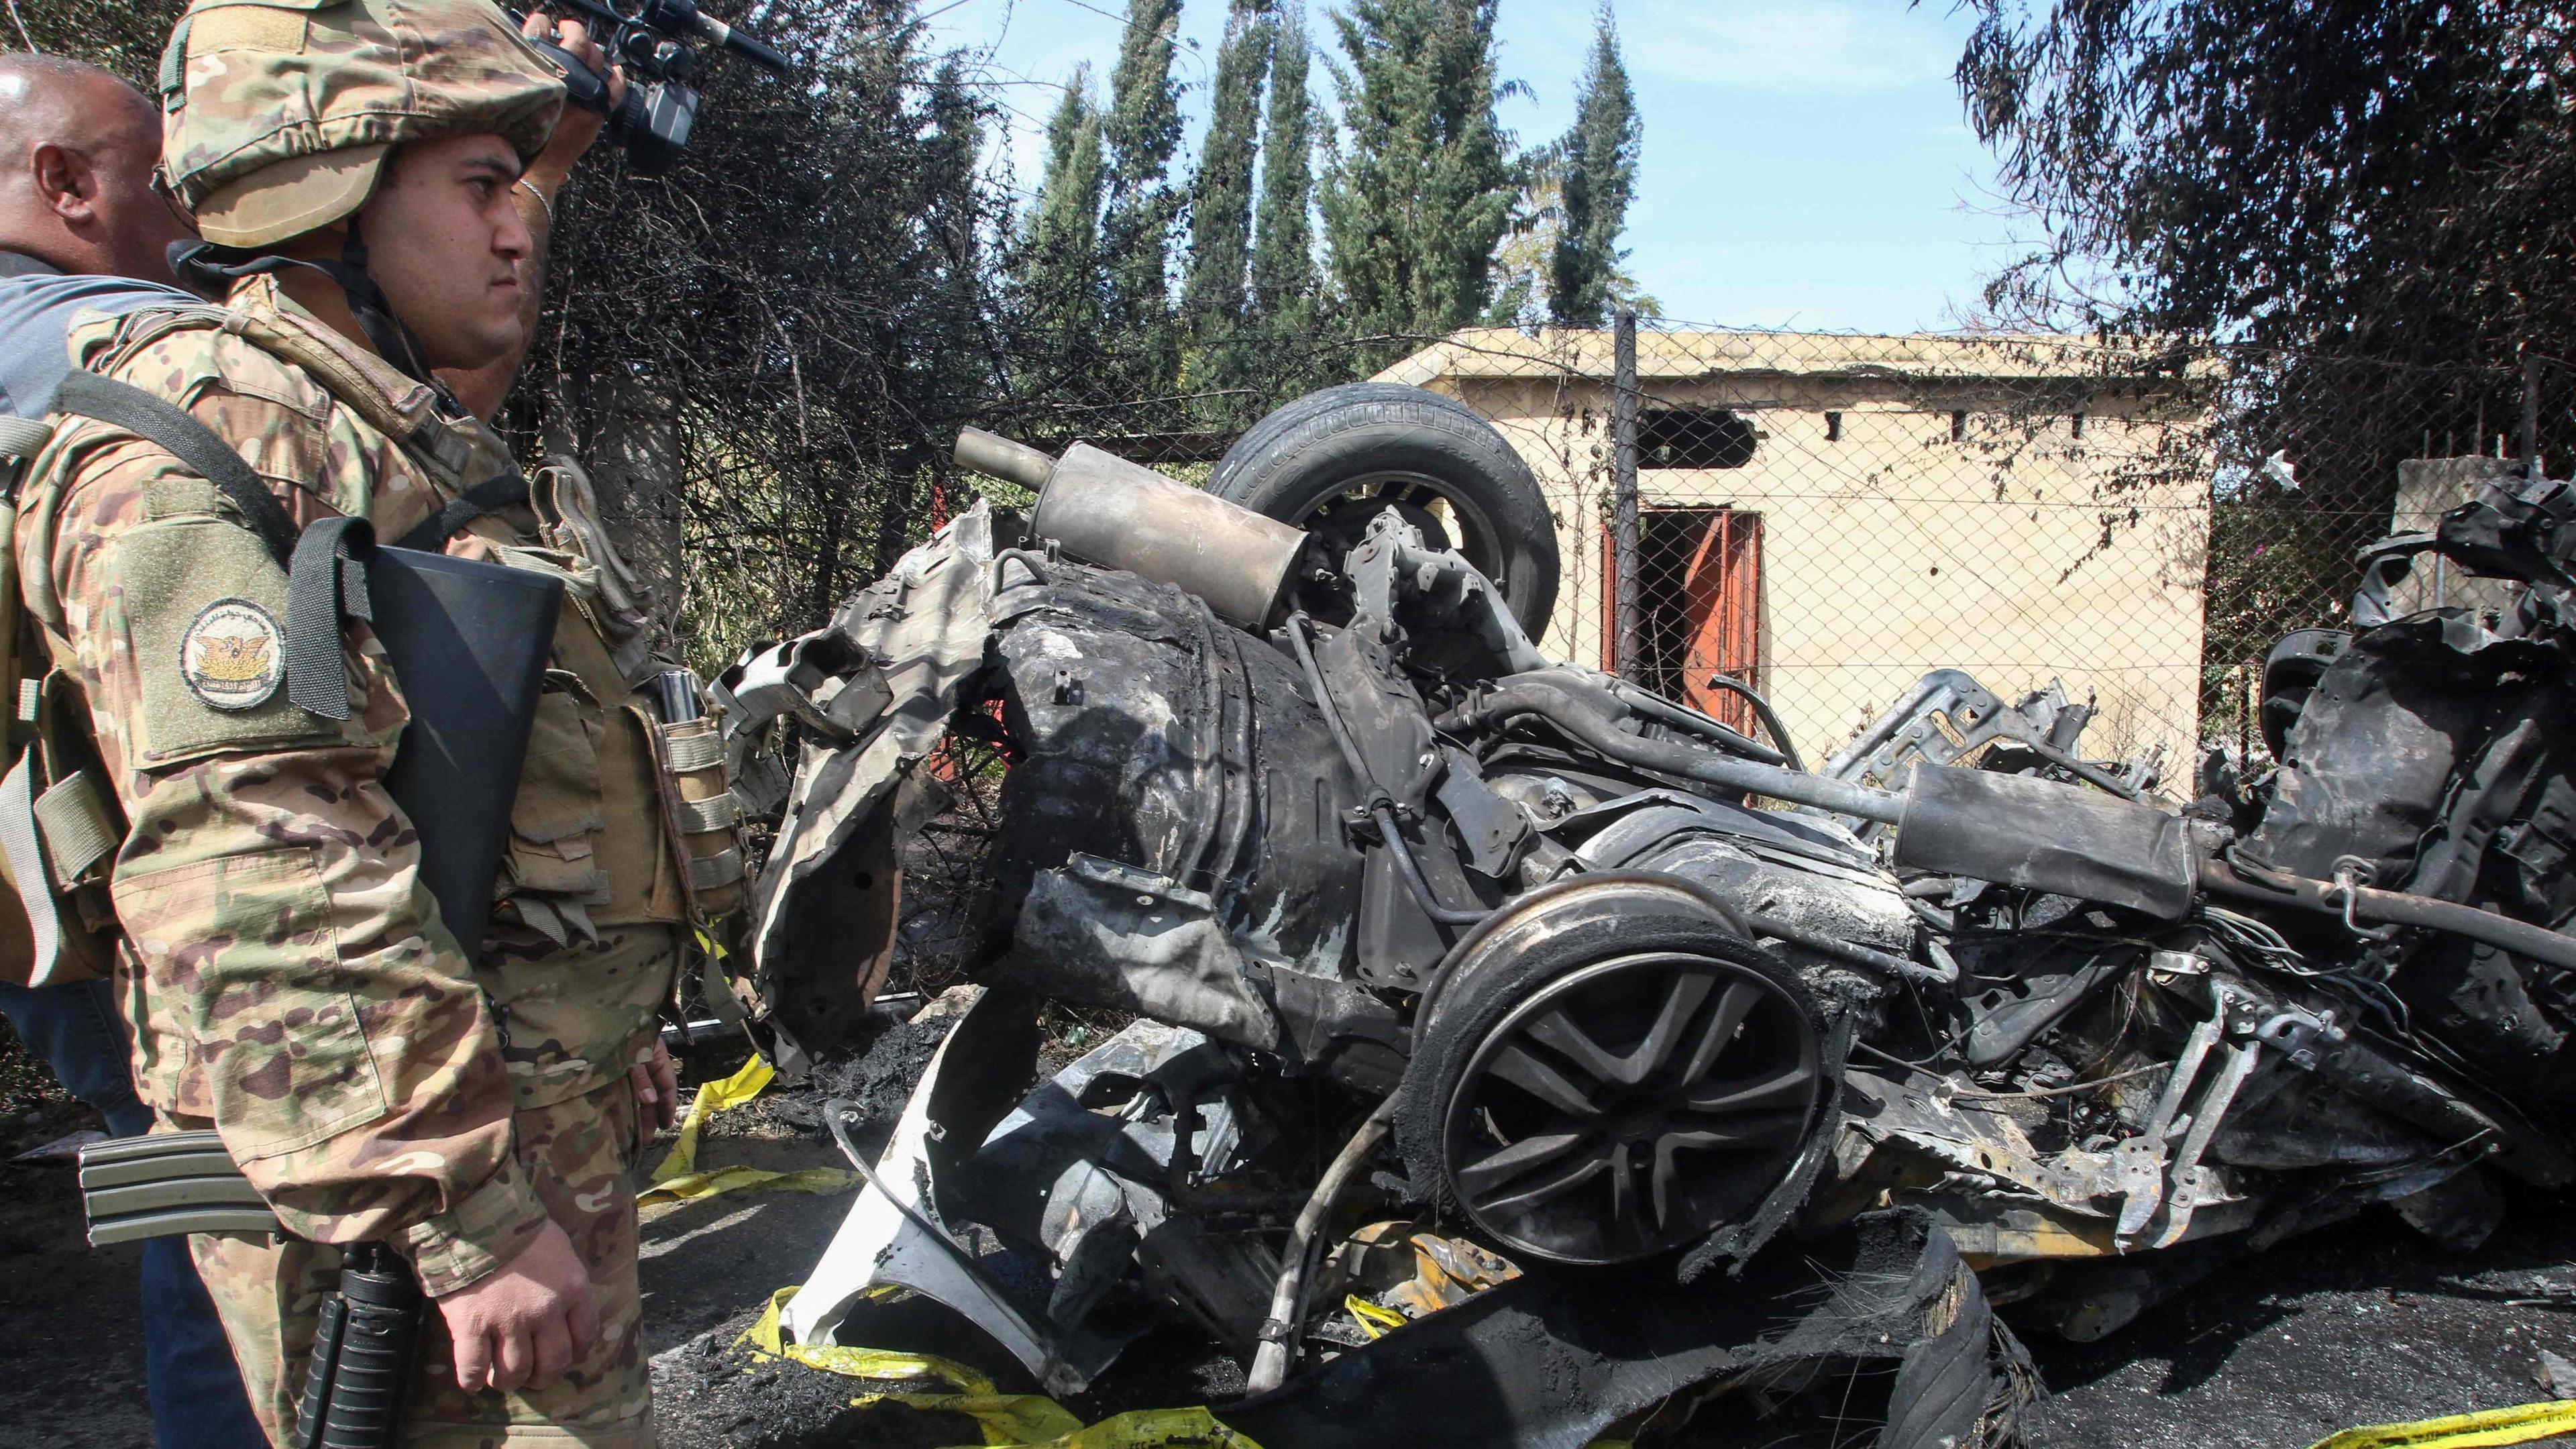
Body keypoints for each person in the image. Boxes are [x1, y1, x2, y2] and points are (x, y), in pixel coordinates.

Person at [15, 1, 750, 1442]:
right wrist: (465, 1219)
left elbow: (476, 807)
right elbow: (259, 875)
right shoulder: (202, 448)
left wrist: (607, 1016)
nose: (517, 228)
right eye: (480, 187)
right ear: (327, 191)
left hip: (510, 1135)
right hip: (403, 1221)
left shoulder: (378, 433)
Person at [0, 51, 265, 1449]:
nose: (190, 207)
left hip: (49, 896)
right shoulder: (83, 343)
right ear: (61, 182)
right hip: (117, 878)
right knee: (229, 1193)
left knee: (191, 1163)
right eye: (163, 174)